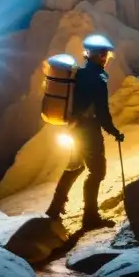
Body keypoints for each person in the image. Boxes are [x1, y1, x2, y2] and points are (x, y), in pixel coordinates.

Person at [45, 33, 125, 230]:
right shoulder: (97, 79)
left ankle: (54, 210)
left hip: (74, 130)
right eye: (103, 55)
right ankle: (90, 217)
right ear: (97, 56)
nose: (105, 59)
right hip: (88, 131)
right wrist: (114, 131)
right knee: (97, 171)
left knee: (75, 166)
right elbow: (102, 111)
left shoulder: (79, 74)